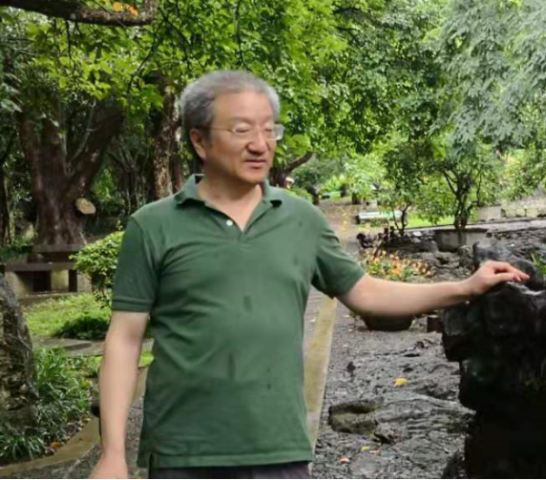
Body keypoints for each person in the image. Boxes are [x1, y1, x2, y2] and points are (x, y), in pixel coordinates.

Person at [89, 70, 528, 480]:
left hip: (278, 449)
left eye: (270, 130)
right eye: (242, 130)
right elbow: (125, 339)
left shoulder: (301, 219)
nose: (260, 144)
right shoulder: (153, 225)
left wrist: (464, 288)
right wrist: (111, 454)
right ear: (199, 140)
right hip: (181, 451)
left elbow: (365, 292)